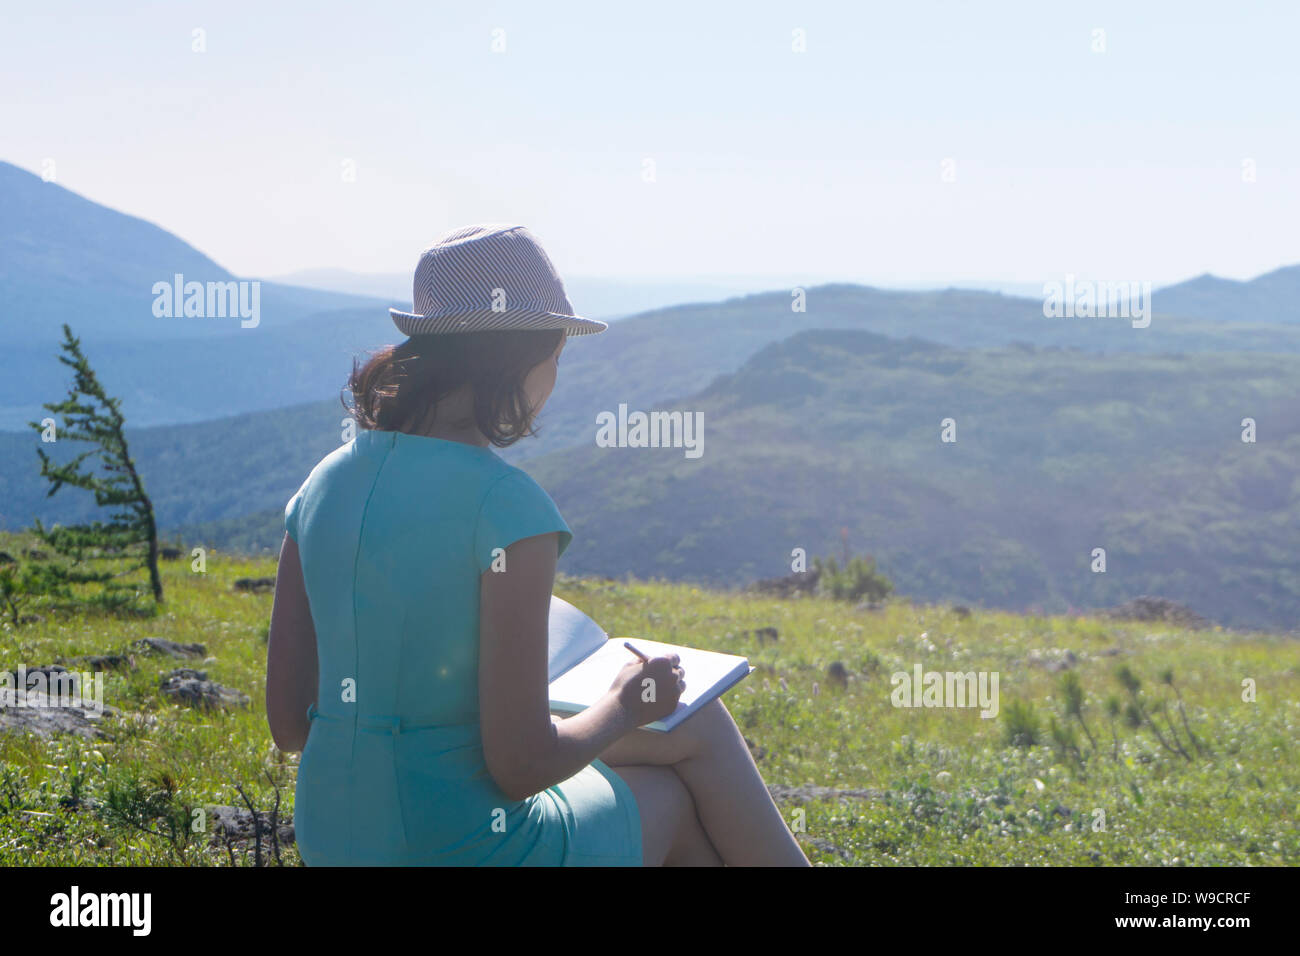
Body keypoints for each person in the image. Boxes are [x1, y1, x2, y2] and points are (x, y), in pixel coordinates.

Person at [265, 223, 808, 866]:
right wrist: (626, 704)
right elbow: (521, 765)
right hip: (455, 845)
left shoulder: (321, 486)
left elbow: (291, 725)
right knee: (671, 790)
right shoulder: (506, 507)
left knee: (680, 747)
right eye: (555, 353)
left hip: (335, 837)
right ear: (521, 359)